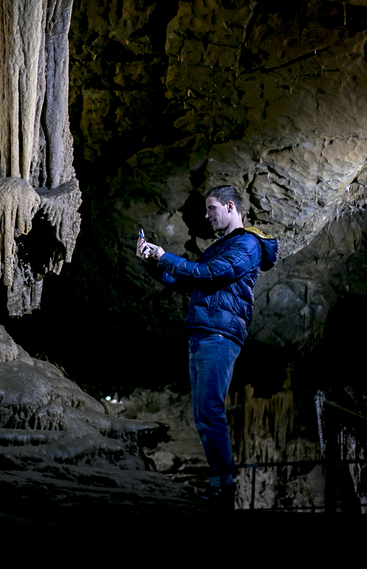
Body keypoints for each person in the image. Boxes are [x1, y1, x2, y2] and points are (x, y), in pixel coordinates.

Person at [137, 185, 279, 508]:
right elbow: (188, 280)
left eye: (211, 208)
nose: (207, 215)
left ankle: (224, 490)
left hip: (219, 333)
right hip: (203, 331)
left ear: (231, 207)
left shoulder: (247, 244)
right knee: (203, 412)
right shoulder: (221, 247)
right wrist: (151, 262)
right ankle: (219, 486)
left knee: (211, 409)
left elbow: (212, 274)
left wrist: (166, 256)